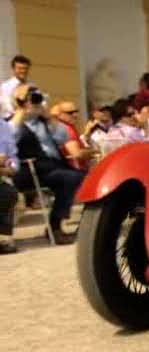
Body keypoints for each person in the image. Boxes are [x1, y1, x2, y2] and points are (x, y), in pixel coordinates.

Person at [10, 84, 84, 244]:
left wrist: (49, 117)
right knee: (70, 178)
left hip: (54, 167)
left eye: (36, 98)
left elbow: (63, 138)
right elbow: (9, 139)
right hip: (29, 170)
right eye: (30, 99)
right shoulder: (12, 121)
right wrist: (22, 110)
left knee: (83, 177)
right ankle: (55, 228)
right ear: (20, 102)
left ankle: (88, 226)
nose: (34, 102)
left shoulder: (44, 121)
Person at [55, 101, 97, 170]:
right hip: (74, 171)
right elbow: (77, 154)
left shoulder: (69, 127)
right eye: (70, 113)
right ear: (60, 114)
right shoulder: (65, 129)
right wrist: (95, 151)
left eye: (76, 111)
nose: (75, 115)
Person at [0, 117, 19, 254]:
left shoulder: (4, 126)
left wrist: (11, 167)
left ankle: (2, 238)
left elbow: (12, 156)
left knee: (8, 192)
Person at [1, 55, 32, 120]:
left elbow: (42, 102)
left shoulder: (32, 85)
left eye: (25, 68)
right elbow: (7, 106)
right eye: (20, 68)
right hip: (12, 120)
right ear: (13, 69)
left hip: (30, 120)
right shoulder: (6, 86)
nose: (23, 71)